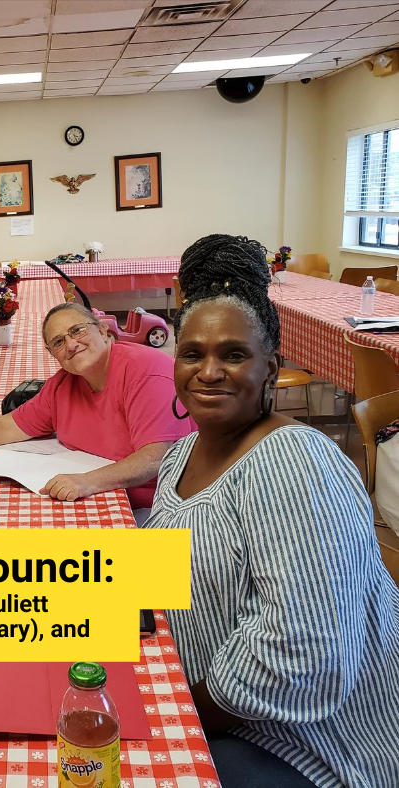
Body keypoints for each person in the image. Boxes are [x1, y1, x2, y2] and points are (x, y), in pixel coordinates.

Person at [144, 234, 399, 788]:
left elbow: (304, 654)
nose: (208, 372)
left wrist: (181, 715)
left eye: (233, 355)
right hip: (219, 713)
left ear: (271, 366)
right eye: (192, 354)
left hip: (309, 746)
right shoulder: (182, 455)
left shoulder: (293, 462)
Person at [0, 301, 192, 514]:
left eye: (77, 331)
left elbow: (157, 457)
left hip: (162, 507)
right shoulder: (62, 386)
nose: (71, 345)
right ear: (52, 354)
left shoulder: (145, 373)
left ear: (103, 331)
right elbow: (8, 426)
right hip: (98, 499)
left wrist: (86, 481)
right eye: (58, 342)